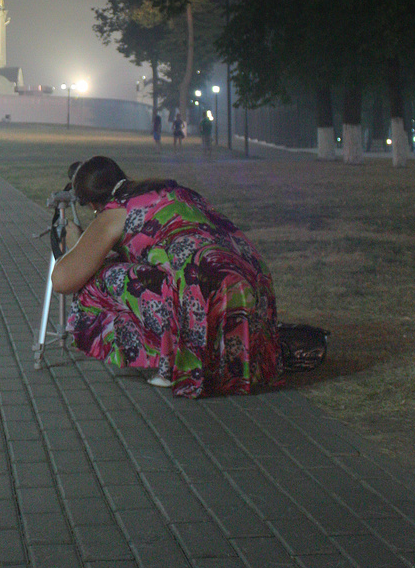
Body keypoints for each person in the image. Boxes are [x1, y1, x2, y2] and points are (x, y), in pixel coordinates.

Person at [51, 154, 283, 398]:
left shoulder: (115, 212)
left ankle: (172, 364)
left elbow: (63, 280)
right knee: (149, 271)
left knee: (101, 279)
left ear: (93, 204)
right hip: (253, 283)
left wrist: (77, 241)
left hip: (204, 291)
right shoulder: (168, 191)